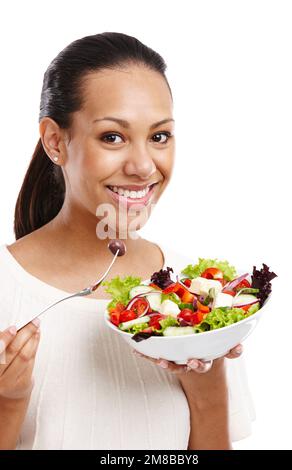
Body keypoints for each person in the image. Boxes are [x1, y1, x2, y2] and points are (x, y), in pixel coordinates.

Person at [0, 32, 255, 450]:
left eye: (159, 136)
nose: (142, 166)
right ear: (54, 141)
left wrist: (209, 392)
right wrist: (7, 403)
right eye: (113, 137)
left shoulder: (198, 299)